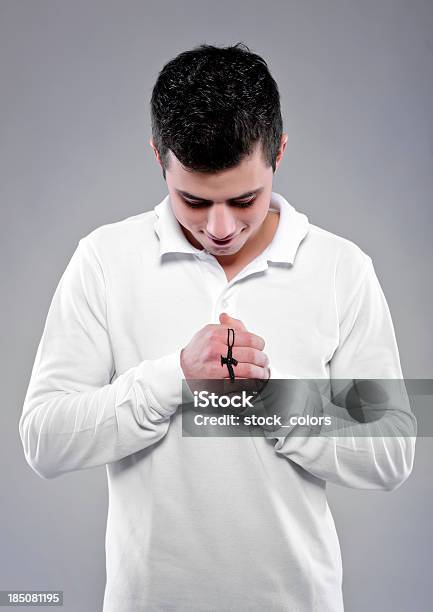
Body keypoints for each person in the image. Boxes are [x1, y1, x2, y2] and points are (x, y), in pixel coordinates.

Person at [19, 42, 416, 611]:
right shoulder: (104, 259)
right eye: (194, 201)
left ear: (279, 150)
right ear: (159, 154)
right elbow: (43, 440)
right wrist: (173, 378)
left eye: (245, 198)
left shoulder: (341, 268)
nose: (222, 227)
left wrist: (273, 401)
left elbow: (393, 450)